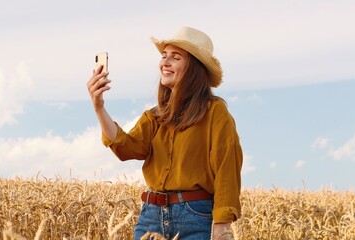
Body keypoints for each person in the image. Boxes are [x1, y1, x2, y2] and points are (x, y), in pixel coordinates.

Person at [87, 26, 243, 240]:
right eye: (164, 56)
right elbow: (126, 147)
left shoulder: (215, 112)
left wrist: (222, 228)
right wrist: (98, 107)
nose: (165, 63)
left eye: (175, 57)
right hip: (151, 217)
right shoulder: (155, 117)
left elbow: (227, 169)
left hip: (196, 217)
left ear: (193, 68)